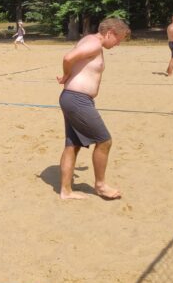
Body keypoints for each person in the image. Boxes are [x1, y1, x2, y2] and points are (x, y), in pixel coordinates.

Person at [56, 17, 130, 201]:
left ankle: (66, 191)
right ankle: (101, 186)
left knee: (72, 145)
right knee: (104, 141)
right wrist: (66, 75)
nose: (118, 44)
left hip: (73, 98)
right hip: (77, 100)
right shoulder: (95, 44)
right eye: (118, 39)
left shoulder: (89, 40)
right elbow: (68, 58)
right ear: (110, 33)